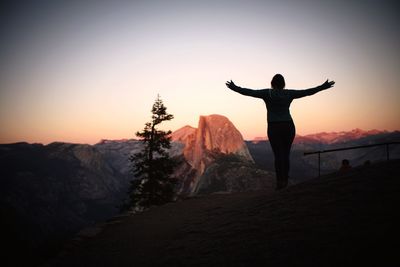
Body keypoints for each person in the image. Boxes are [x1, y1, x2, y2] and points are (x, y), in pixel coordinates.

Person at [226, 74, 335, 190]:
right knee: (286, 155)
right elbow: (307, 92)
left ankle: (280, 183)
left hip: (274, 127)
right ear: (283, 84)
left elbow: (249, 92)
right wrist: (323, 86)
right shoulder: (289, 93)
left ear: (272, 83)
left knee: (278, 156)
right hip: (288, 126)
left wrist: (234, 87)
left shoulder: (267, 93)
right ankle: (285, 181)